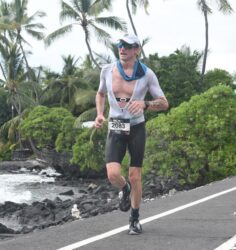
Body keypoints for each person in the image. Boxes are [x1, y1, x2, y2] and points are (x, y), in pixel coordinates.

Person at [94, 34, 169, 235]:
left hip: (136, 127)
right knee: (112, 174)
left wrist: (145, 104)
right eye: (120, 45)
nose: (122, 48)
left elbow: (164, 103)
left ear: (137, 50)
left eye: (128, 46)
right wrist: (100, 114)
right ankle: (124, 189)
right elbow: (100, 93)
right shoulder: (107, 71)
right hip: (116, 126)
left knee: (135, 176)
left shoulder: (146, 74)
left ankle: (134, 219)